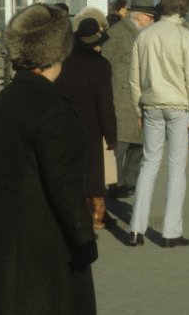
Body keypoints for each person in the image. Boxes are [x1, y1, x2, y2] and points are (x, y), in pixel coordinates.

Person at [0, 4, 98, 315]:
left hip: (11, 227)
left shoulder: (7, 99)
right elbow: (63, 181)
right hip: (50, 236)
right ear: (57, 52)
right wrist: (83, 235)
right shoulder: (53, 108)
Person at [127, 0, 189, 248]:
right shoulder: (187, 38)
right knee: (176, 169)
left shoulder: (144, 36)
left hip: (151, 106)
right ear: (184, 8)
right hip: (179, 109)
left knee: (149, 165)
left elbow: (134, 79)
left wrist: (139, 109)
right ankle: (170, 233)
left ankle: (136, 229)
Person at [55, 18, 118, 230]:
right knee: (95, 168)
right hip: (92, 125)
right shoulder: (101, 65)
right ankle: (97, 213)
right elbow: (105, 104)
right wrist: (111, 134)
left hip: (65, 123)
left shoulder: (63, 62)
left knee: (73, 169)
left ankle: (79, 213)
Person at [100, 0, 156, 198]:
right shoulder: (116, 34)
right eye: (150, 17)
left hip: (140, 97)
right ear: (140, 16)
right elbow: (104, 66)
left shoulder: (144, 33)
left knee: (139, 144)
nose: (152, 21)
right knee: (119, 144)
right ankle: (114, 183)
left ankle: (131, 182)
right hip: (120, 98)